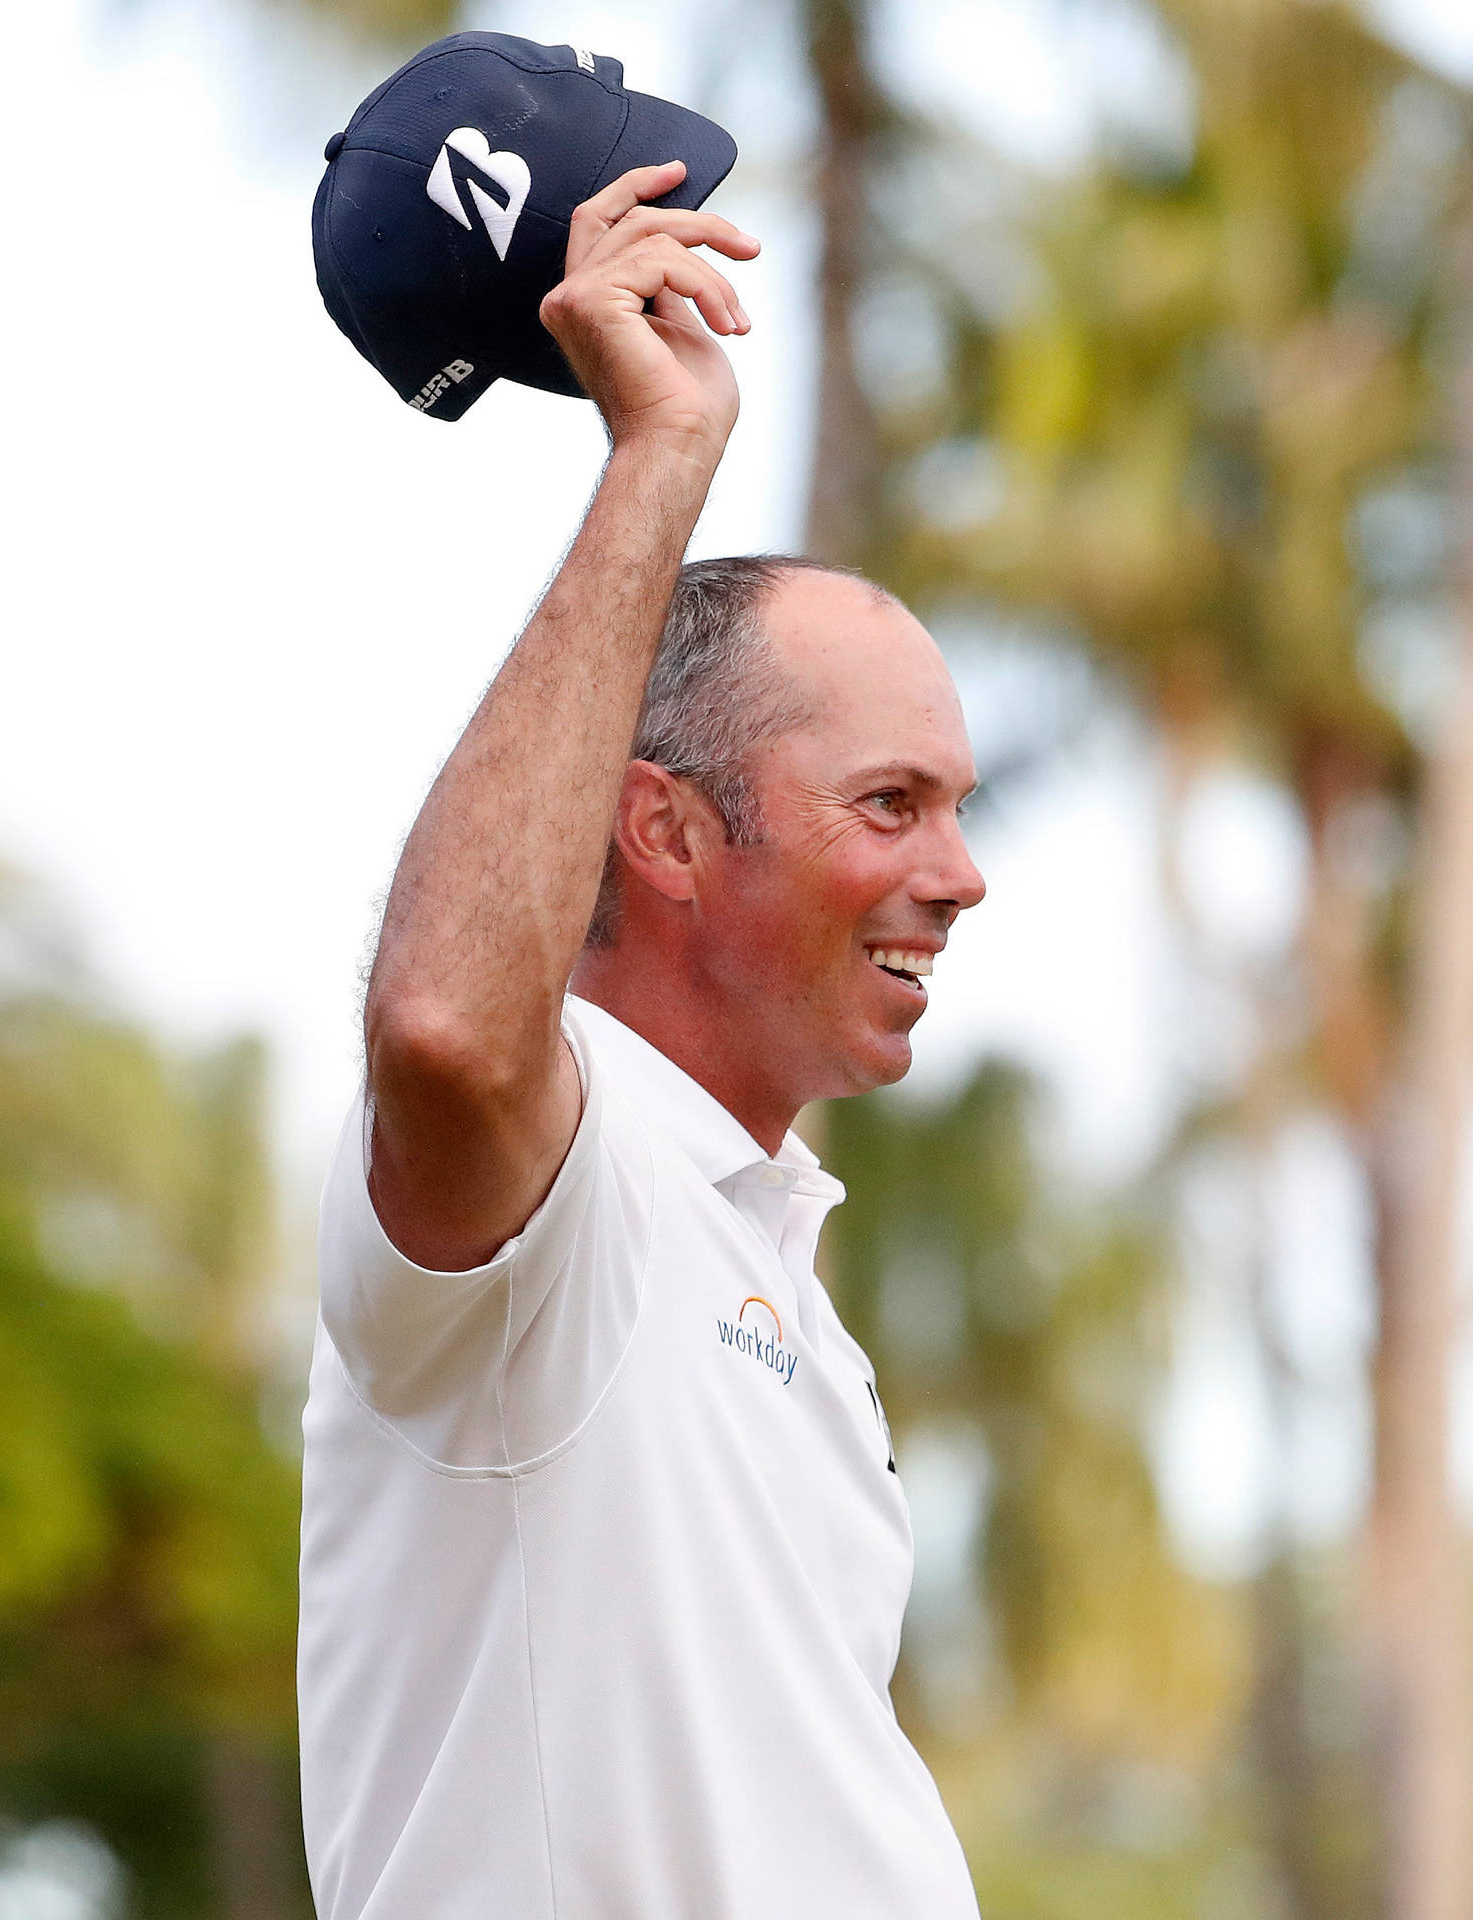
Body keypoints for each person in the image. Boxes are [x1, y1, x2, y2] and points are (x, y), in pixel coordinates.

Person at [298, 158, 987, 1920]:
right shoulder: (573, 1199)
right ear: (666, 835)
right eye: (889, 804)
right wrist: (659, 458)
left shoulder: (773, 1268)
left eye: (953, 809)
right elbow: (449, 1026)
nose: (961, 877)